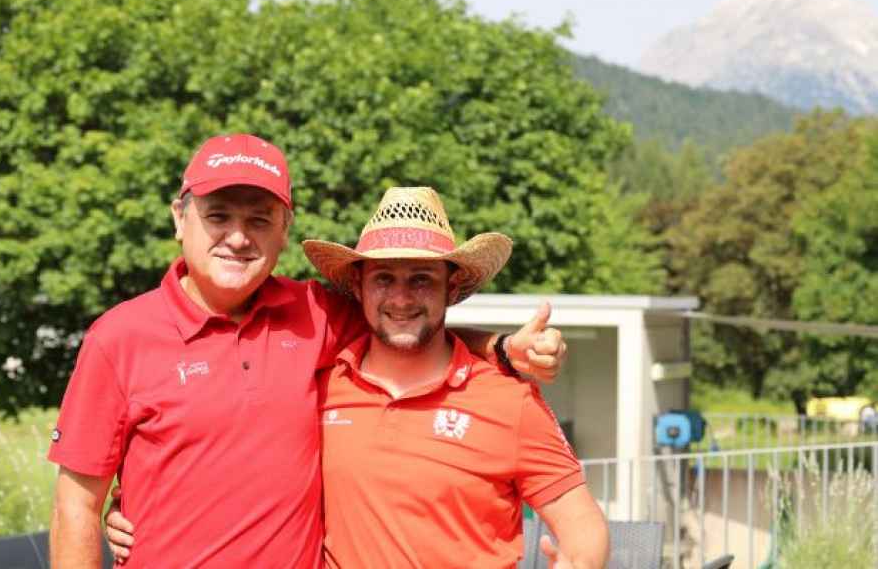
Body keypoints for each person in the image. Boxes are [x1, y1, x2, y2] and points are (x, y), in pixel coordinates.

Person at [49, 135, 568, 569]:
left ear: (285, 229)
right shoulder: (118, 338)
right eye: (218, 216)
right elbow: (75, 508)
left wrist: (500, 346)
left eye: (259, 220)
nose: (237, 238)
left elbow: (411, 321)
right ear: (179, 218)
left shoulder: (317, 311)